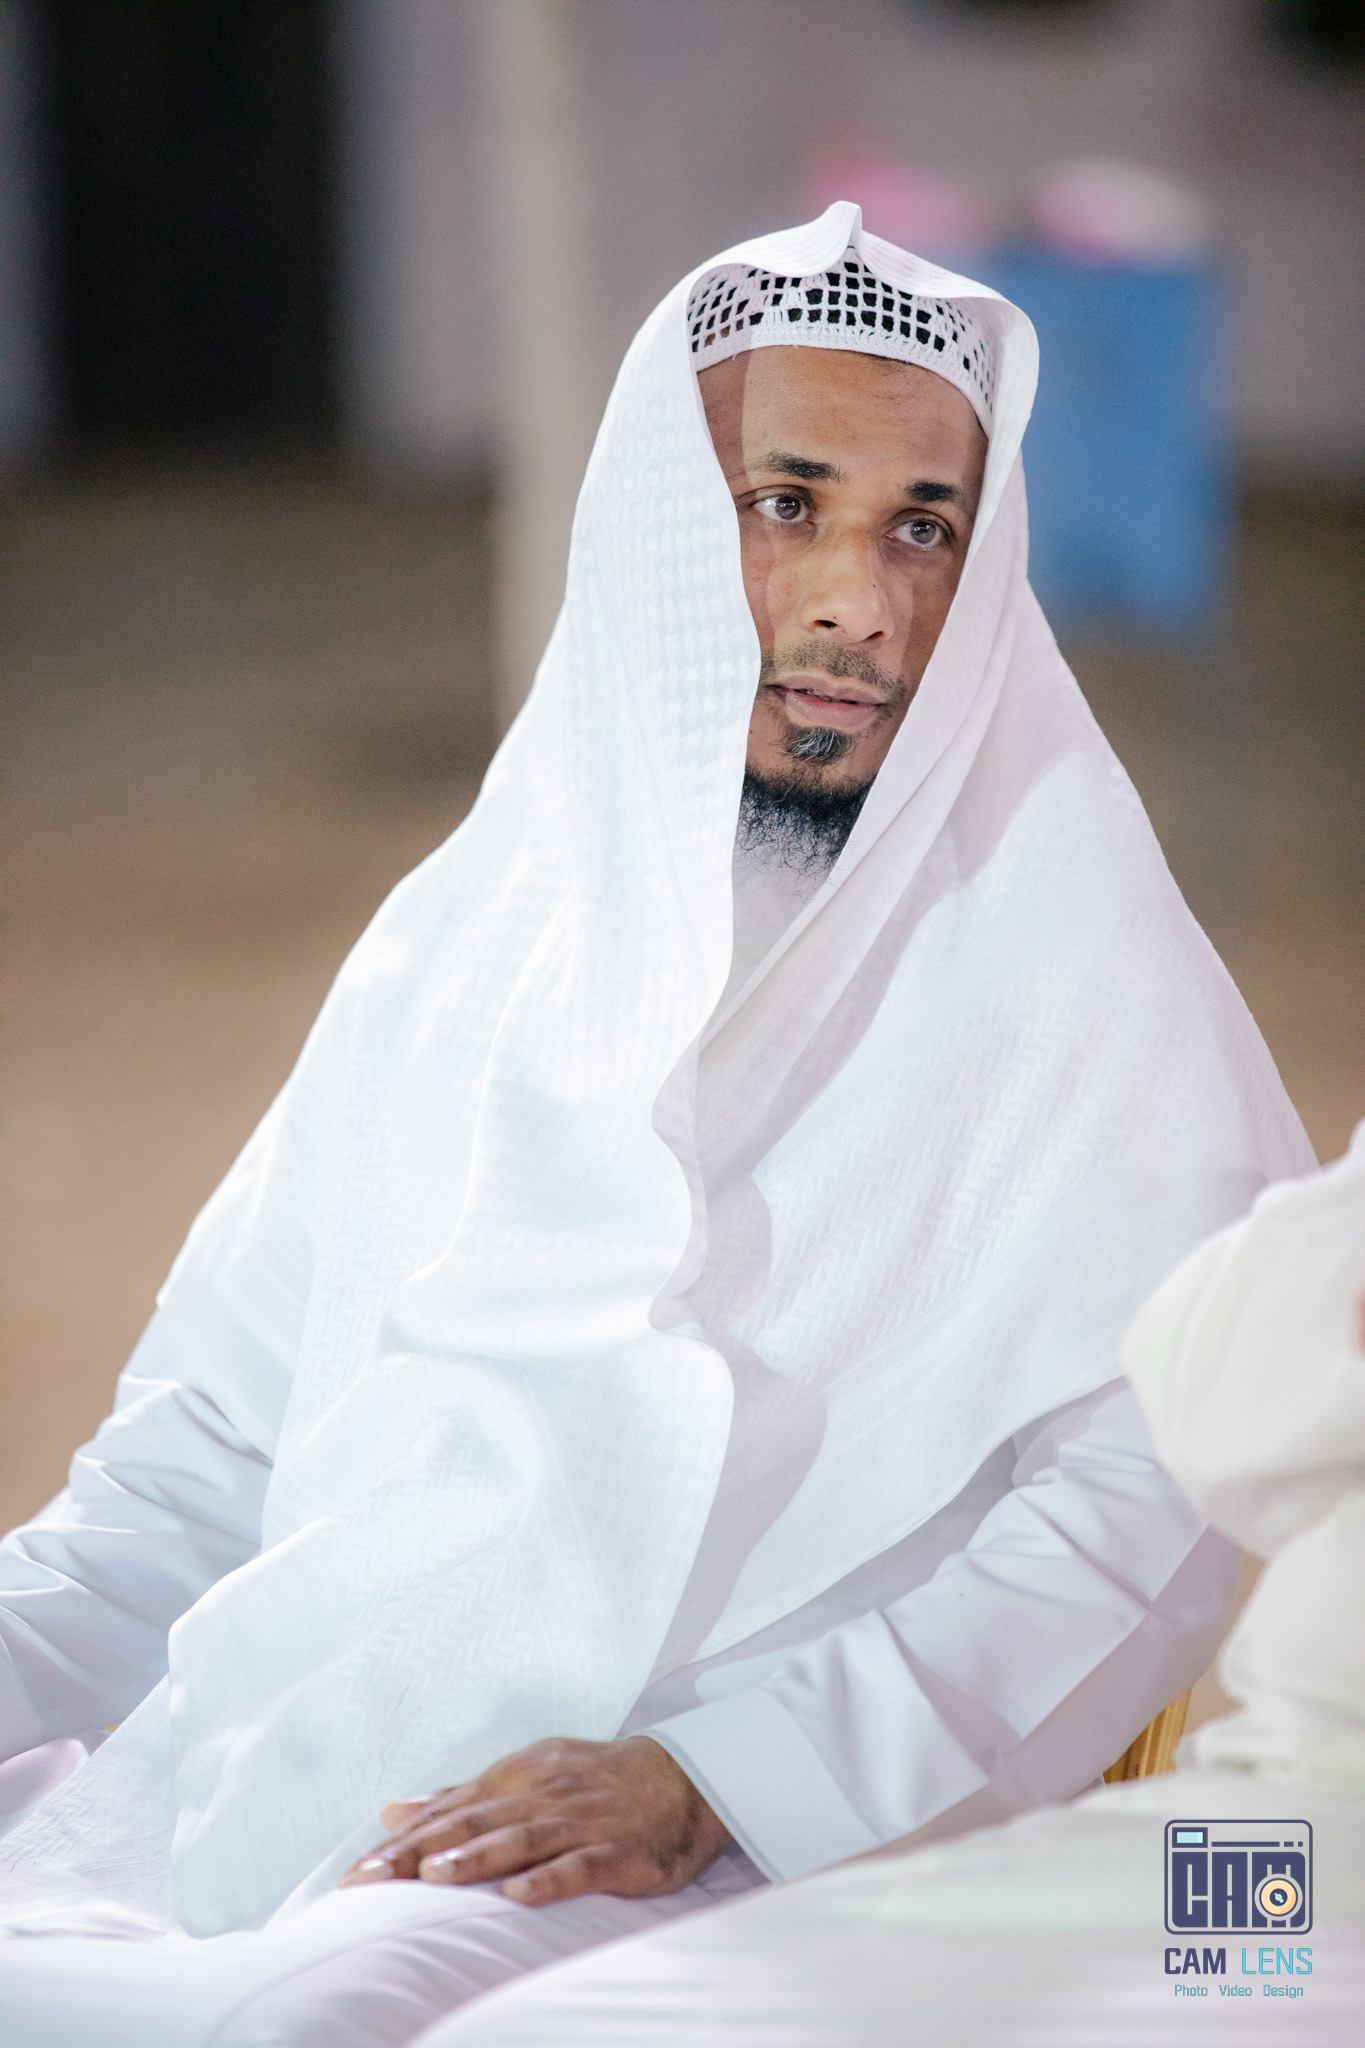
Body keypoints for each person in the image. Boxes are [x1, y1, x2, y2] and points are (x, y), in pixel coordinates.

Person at [0, 204, 1310, 2045]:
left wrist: (721, 1778)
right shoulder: (473, 936)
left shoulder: (1077, 961)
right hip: (295, 1757)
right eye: (788, 504)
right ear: (657, 534)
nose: (860, 601)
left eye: (921, 526)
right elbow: (204, 1454)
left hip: (731, 1843)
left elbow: (1149, 1506)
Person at [417, 1125, 1365, 2047]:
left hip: (1313, 1819)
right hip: (1264, 1816)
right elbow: (1221, 1388)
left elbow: (1192, 1436)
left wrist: (725, 1778)